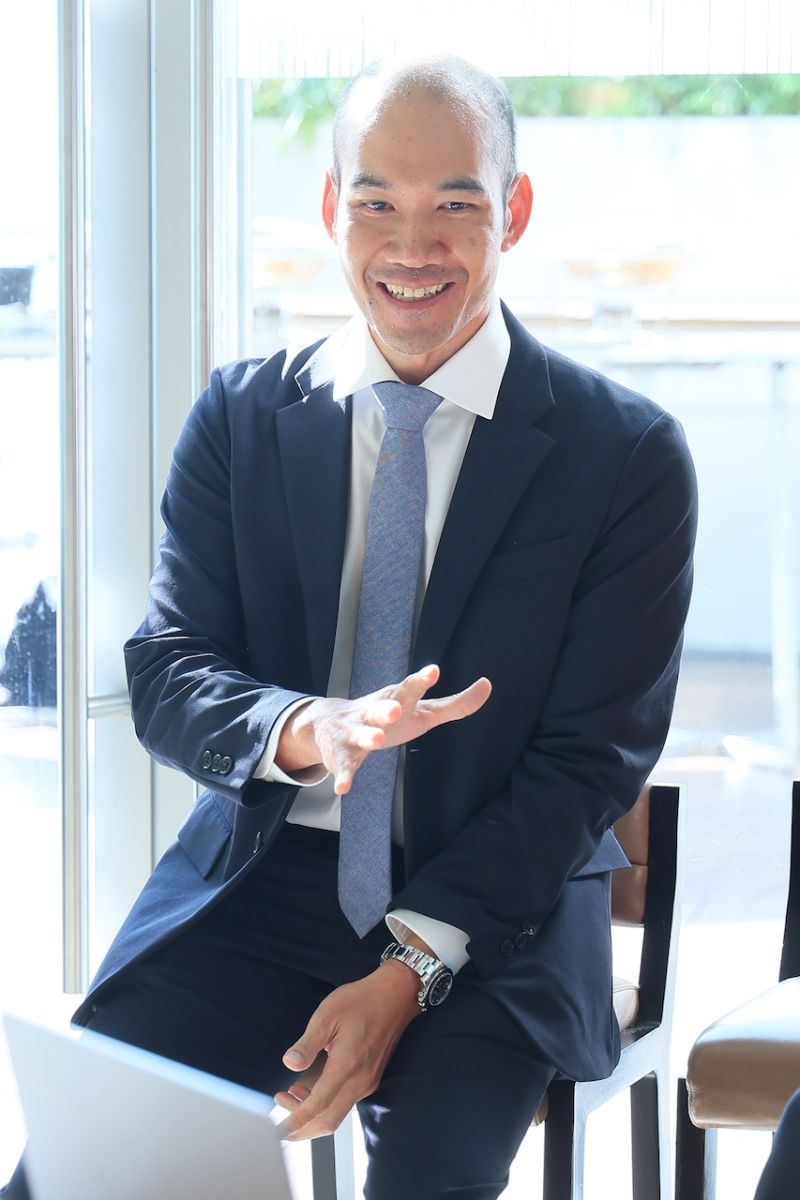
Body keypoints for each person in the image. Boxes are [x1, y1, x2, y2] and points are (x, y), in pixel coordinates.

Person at [3, 55, 697, 1199]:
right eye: (376, 202)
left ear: (512, 210)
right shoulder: (240, 417)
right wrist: (306, 729)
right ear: (332, 209)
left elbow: (590, 760)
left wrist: (408, 968)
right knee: (81, 1174)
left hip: (497, 919)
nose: (410, 245)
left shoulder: (622, 455)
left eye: (454, 204)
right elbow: (169, 672)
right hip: (263, 886)